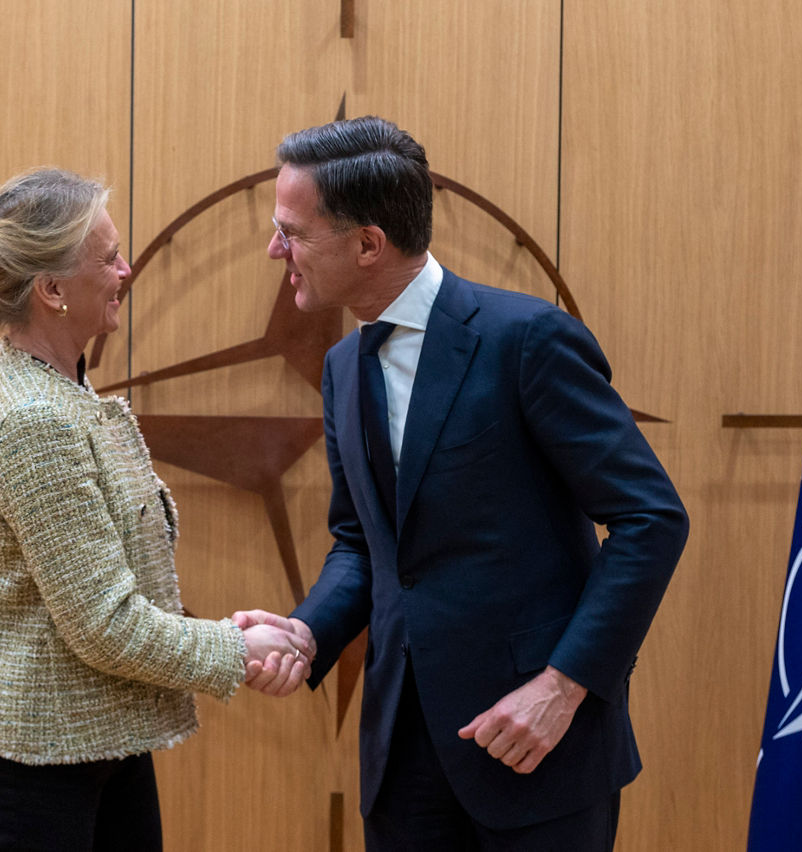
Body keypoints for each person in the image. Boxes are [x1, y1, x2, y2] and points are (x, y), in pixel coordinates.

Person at [236, 117, 689, 851]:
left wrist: (563, 686)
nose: (275, 250)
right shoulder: (343, 367)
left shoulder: (528, 341)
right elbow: (363, 544)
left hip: (537, 746)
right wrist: (305, 632)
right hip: (402, 765)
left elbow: (651, 518)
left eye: (291, 232)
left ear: (367, 244)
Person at [0, 167, 308, 852]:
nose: (126, 269)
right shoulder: (35, 418)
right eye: (108, 258)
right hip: (38, 766)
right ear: (51, 291)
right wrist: (236, 648)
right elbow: (106, 626)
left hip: (97, 740)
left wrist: (223, 628)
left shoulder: (60, 383)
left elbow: (100, 585)